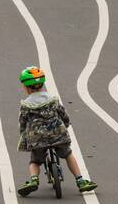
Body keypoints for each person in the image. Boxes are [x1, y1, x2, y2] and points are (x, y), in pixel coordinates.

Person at [16, 66, 98, 195]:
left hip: (37, 139)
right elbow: (63, 113)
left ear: (26, 88)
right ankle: (80, 180)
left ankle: (33, 179)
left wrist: (23, 134)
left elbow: (23, 121)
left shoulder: (26, 104)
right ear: (42, 84)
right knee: (68, 154)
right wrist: (65, 124)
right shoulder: (52, 99)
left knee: (35, 161)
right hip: (58, 135)